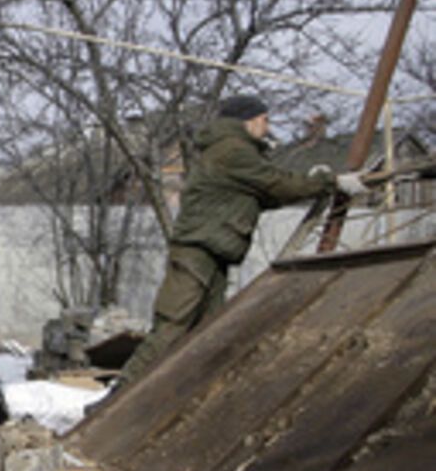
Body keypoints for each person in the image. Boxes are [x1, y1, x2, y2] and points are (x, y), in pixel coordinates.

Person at [117, 93, 367, 387]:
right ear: (248, 121)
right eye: (264, 119)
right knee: (173, 326)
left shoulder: (229, 151)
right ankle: (119, 396)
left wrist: (315, 183)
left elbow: (264, 194)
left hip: (209, 252)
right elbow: (276, 184)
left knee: (206, 332)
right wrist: (331, 182)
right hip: (198, 251)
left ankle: (181, 393)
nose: (268, 126)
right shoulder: (233, 151)